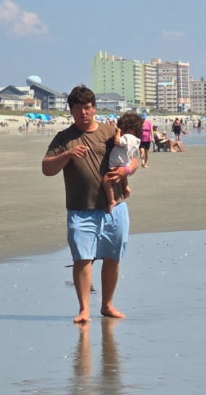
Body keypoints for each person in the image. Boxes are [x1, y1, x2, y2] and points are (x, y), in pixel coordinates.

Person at [43, 85, 131, 325]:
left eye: (88, 107)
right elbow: (47, 169)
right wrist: (68, 155)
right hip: (80, 209)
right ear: (71, 110)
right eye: (79, 108)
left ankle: (107, 305)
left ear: (95, 108)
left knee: (112, 257)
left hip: (115, 207)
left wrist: (125, 170)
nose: (84, 112)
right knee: (83, 258)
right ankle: (84, 309)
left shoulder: (110, 132)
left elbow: (131, 158)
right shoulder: (64, 138)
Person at [100, 113, 142, 209]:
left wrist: (118, 132)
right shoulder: (136, 140)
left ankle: (111, 201)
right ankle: (126, 187)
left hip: (117, 162)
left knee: (106, 180)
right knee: (122, 174)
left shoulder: (127, 137)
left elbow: (117, 142)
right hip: (124, 162)